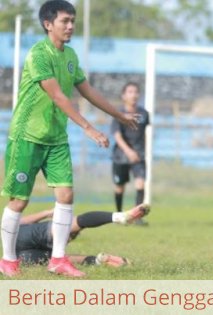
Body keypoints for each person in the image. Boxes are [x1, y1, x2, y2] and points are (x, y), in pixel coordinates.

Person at [0, 0, 138, 278]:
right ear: (48, 24)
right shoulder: (39, 54)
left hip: (56, 139)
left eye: (73, 20)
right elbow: (58, 96)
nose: (71, 25)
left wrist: (120, 115)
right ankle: (8, 260)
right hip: (27, 137)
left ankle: (59, 260)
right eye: (65, 21)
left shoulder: (71, 55)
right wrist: (88, 128)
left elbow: (87, 91)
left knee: (66, 195)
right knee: (19, 201)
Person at [17, 204, 150, 267]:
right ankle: (121, 217)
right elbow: (16, 222)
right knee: (71, 225)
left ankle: (97, 260)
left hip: (17, 258)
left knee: (58, 259)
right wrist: (47, 212)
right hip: (17, 239)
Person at [111, 82, 150, 225]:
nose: (133, 95)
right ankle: (119, 215)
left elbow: (143, 133)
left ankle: (137, 218)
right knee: (120, 186)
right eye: (130, 92)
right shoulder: (118, 113)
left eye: (136, 91)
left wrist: (142, 151)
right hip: (121, 155)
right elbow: (117, 135)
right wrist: (128, 151)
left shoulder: (144, 114)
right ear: (123, 95)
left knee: (140, 184)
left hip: (138, 155)